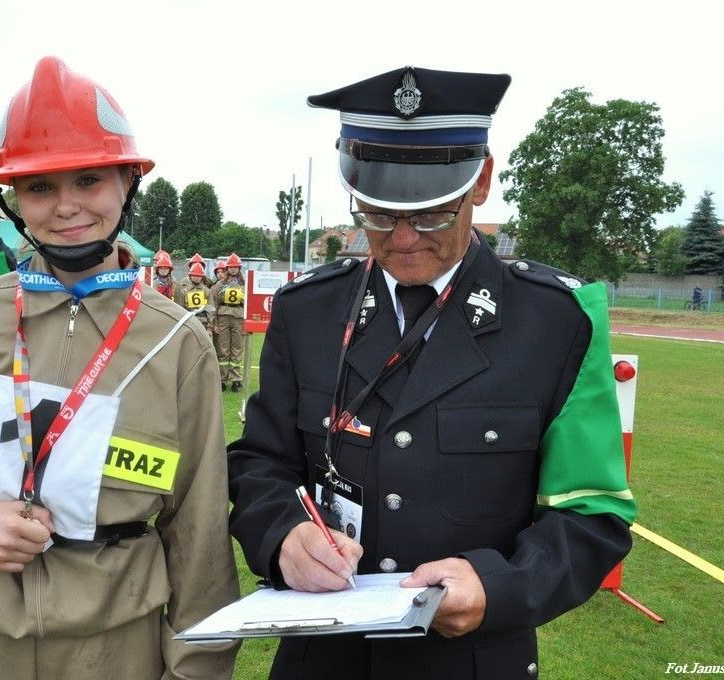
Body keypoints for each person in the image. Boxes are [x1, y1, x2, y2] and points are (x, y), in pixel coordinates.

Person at [228, 66, 636, 679]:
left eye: (431, 215)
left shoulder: (556, 323)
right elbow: (260, 464)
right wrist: (283, 534)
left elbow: (592, 512)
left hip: (471, 663)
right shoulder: (307, 311)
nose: (401, 238)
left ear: (482, 182)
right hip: (325, 662)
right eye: (376, 213)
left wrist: (498, 586)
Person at [0, 56, 238, 679]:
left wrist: (196, 670)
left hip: (115, 647)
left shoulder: (178, 342)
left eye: (89, 180)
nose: (66, 206)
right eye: (40, 187)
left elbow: (198, 531)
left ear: (128, 182)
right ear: (13, 199)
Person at [208, 253, 246, 392]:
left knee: (237, 348)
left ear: (239, 268)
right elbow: (213, 303)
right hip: (223, 317)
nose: (233, 269)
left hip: (239, 317)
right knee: (223, 350)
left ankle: (236, 379)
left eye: (236, 267)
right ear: (227, 268)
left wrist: (246, 323)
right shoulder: (220, 284)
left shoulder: (245, 283)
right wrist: (214, 323)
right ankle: (222, 379)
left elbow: (249, 304)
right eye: (231, 267)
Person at [175, 261, 211, 328]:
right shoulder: (184, 291)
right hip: (189, 322)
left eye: (199, 276)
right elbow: (181, 309)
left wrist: (210, 328)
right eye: (194, 275)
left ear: (202, 277)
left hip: (203, 322)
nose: (196, 277)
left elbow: (210, 310)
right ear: (190, 276)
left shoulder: (207, 291)